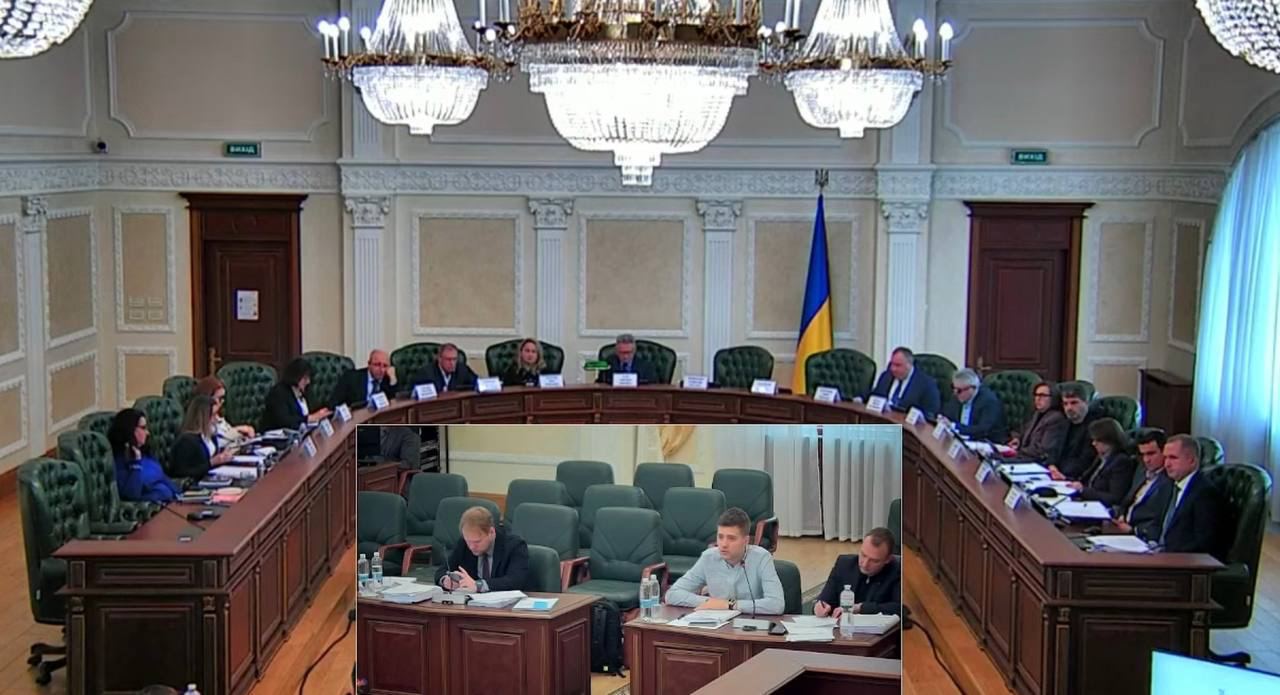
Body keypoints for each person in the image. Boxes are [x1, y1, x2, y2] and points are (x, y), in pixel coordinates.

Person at [664, 508, 785, 615]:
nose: (724, 544)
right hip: (717, 623)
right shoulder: (708, 557)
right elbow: (672, 595)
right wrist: (710, 602)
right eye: (720, 537)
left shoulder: (762, 558)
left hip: (751, 624)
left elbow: (777, 604)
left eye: (731, 538)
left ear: (746, 541)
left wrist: (729, 605)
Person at [1157, 435, 1230, 561]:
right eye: (1165, 458)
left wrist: (1166, 555)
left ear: (1192, 461)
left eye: (1173, 458)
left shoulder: (1204, 493)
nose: (1167, 464)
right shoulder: (1170, 486)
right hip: (1160, 553)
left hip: (1183, 562)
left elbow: (1204, 543)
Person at [433, 506, 530, 592]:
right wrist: (445, 580)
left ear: (491, 532)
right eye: (468, 541)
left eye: (477, 542)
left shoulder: (515, 545)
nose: (471, 547)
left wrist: (478, 585)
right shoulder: (463, 544)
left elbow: (516, 580)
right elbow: (442, 571)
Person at [814, 527, 901, 618]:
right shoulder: (844, 564)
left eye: (874, 561)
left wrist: (861, 608)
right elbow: (825, 599)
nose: (865, 564)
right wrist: (819, 607)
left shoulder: (897, 570)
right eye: (863, 555)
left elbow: (900, 608)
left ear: (888, 559)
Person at [1111, 428, 1174, 540]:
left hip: (1140, 536)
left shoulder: (1170, 481)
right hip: (1121, 526)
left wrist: (1133, 530)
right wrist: (1121, 515)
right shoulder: (1141, 471)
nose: (1146, 460)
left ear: (1164, 452)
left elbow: (1158, 521)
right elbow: (1127, 500)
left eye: (1151, 454)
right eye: (1143, 454)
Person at [107, 408, 181, 503]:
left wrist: (180, 496)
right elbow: (132, 494)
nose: (147, 433)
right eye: (143, 428)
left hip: (172, 503)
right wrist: (136, 463)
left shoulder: (146, 453)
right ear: (130, 430)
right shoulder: (119, 462)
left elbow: (163, 478)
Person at [1067, 418, 1137, 507]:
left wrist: (1083, 490)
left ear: (1109, 440)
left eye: (1097, 440)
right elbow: (1085, 479)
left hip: (1101, 508)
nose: (1093, 443)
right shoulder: (1102, 457)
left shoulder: (1121, 462)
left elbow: (1115, 498)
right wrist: (1068, 480)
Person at [169, 395, 235, 480]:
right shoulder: (187, 441)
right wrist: (211, 463)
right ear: (203, 417)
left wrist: (223, 457)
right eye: (213, 415)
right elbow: (181, 473)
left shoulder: (210, 435)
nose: (217, 419)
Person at [261, 357, 332, 431]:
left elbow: (314, 409)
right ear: (295, 376)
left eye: (309, 378)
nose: (308, 382)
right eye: (305, 378)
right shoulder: (278, 393)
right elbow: (284, 421)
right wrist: (308, 419)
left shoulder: (306, 390)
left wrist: (324, 411)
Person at [868, 347, 941, 416]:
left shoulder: (927, 385)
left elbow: (930, 414)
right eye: (892, 364)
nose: (893, 369)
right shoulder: (886, 376)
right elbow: (874, 397)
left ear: (909, 365)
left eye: (898, 365)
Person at [1049, 383, 1100, 480]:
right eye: (1065, 404)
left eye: (1074, 403)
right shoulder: (1064, 423)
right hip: (1056, 475)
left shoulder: (1095, 427)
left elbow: (1086, 460)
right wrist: (1052, 466)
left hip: (1077, 478)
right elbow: (1054, 449)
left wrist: (1063, 475)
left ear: (1086, 402)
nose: (1069, 408)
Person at [939, 369, 1006, 442]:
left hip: (985, 442)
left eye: (959, 390)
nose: (955, 393)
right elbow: (947, 415)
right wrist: (942, 420)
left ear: (972, 389)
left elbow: (982, 429)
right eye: (953, 388)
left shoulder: (989, 402)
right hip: (961, 441)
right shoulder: (957, 397)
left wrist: (953, 426)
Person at [1009, 381, 1068, 460]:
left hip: (1037, 461)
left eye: (1042, 395)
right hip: (1023, 456)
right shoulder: (1036, 414)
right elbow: (1020, 430)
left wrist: (1017, 451)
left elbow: (1043, 450)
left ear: (1053, 398)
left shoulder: (1056, 419)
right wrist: (1017, 439)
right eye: (1036, 395)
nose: (1038, 398)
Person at [194, 376, 255, 447]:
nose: (222, 402)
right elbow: (213, 445)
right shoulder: (200, 423)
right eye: (219, 398)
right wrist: (237, 430)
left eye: (223, 398)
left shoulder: (218, 417)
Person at [329, 349, 395, 409]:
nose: (382, 370)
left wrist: (393, 379)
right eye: (377, 365)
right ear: (369, 364)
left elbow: (395, 403)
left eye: (385, 366)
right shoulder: (351, 378)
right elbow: (334, 402)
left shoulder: (388, 379)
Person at [408, 343, 477, 394]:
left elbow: (478, 384)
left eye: (454, 359)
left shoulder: (463, 370)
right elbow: (412, 392)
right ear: (439, 359)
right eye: (448, 359)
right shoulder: (426, 373)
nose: (452, 363)